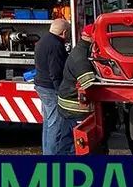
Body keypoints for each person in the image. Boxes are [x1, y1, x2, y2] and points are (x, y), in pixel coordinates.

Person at [53, 24, 97, 155]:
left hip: (68, 106)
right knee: (74, 144)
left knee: (67, 139)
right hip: (74, 109)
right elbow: (89, 84)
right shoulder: (81, 58)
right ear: (91, 36)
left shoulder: (81, 51)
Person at [32, 18, 69, 155]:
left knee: (48, 123)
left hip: (41, 85)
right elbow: (56, 72)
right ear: (64, 32)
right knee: (55, 125)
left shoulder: (43, 41)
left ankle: (47, 153)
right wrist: (61, 92)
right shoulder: (55, 45)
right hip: (50, 88)